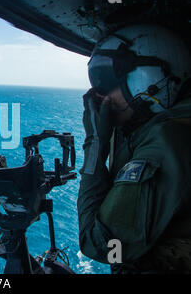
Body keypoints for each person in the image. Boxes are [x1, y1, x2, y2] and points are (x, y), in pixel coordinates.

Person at [77, 24, 191, 273]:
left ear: (149, 78)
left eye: (106, 82)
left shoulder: (166, 141)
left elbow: (98, 244)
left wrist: (96, 143)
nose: (98, 94)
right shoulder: (169, 126)